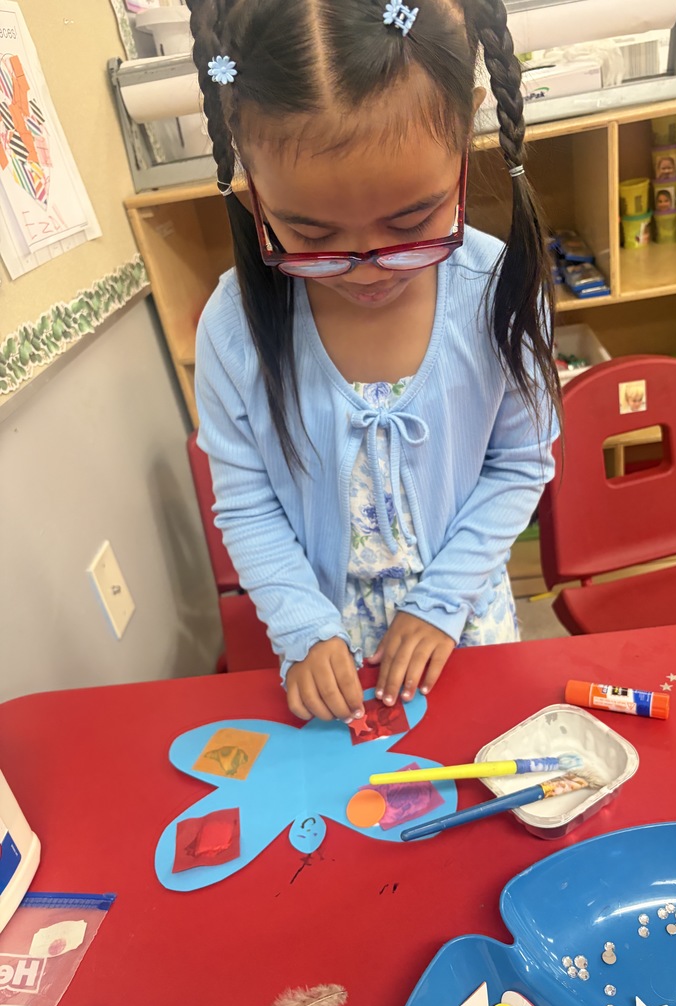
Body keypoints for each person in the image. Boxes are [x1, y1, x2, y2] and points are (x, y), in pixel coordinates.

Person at [187, 0, 560, 723]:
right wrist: (300, 628)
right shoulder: (233, 326)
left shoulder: (498, 292)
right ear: (248, 165)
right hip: (327, 643)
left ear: (469, 123)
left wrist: (442, 602)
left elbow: (520, 463)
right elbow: (247, 499)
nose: (366, 270)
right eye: (309, 232)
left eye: (412, 220)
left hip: (463, 624)